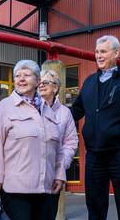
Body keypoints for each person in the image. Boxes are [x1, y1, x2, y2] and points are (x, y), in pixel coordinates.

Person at [71, 35, 120, 220]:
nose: (98, 55)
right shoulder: (89, 82)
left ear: (116, 53)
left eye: (103, 52)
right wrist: (51, 112)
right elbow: (76, 110)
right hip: (94, 155)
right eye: (97, 52)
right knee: (95, 205)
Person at [0, 60, 66, 220]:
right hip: (16, 192)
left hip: (46, 189)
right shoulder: (3, 108)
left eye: (26, 75)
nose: (21, 79)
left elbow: (58, 148)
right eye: (17, 76)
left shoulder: (48, 110)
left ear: (37, 81)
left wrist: (59, 174)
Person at [38, 69, 79, 219]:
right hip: (28, 174)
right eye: (39, 82)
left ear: (55, 88)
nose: (41, 85)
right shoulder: (29, 107)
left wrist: (61, 167)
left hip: (51, 175)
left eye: (46, 82)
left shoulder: (64, 113)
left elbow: (70, 143)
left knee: (48, 214)